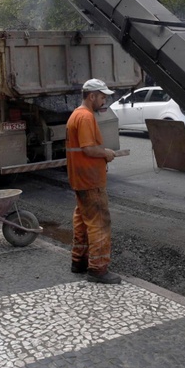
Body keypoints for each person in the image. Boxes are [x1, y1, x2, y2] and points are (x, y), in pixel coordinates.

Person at [66, 78, 121, 285]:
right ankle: (98, 269)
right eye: (102, 96)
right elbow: (89, 149)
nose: (104, 100)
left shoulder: (76, 115)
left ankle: (78, 261)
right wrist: (106, 153)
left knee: (82, 219)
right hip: (90, 179)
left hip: (79, 177)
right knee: (99, 222)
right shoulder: (86, 117)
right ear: (92, 96)